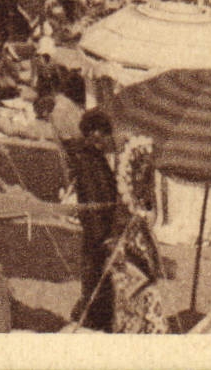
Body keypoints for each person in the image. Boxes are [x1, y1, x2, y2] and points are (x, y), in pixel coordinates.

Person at [66, 111, 123, 332]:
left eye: (103, 135)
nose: (102, 140)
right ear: (90, 133)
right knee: (97, 272)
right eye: (98, 135)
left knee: (98, 274)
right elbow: (91, 199)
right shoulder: (87, 160)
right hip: (97, 228)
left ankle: (96, 316)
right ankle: (94, 319)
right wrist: (102, 236)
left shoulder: (93, 157)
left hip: (100, 226)